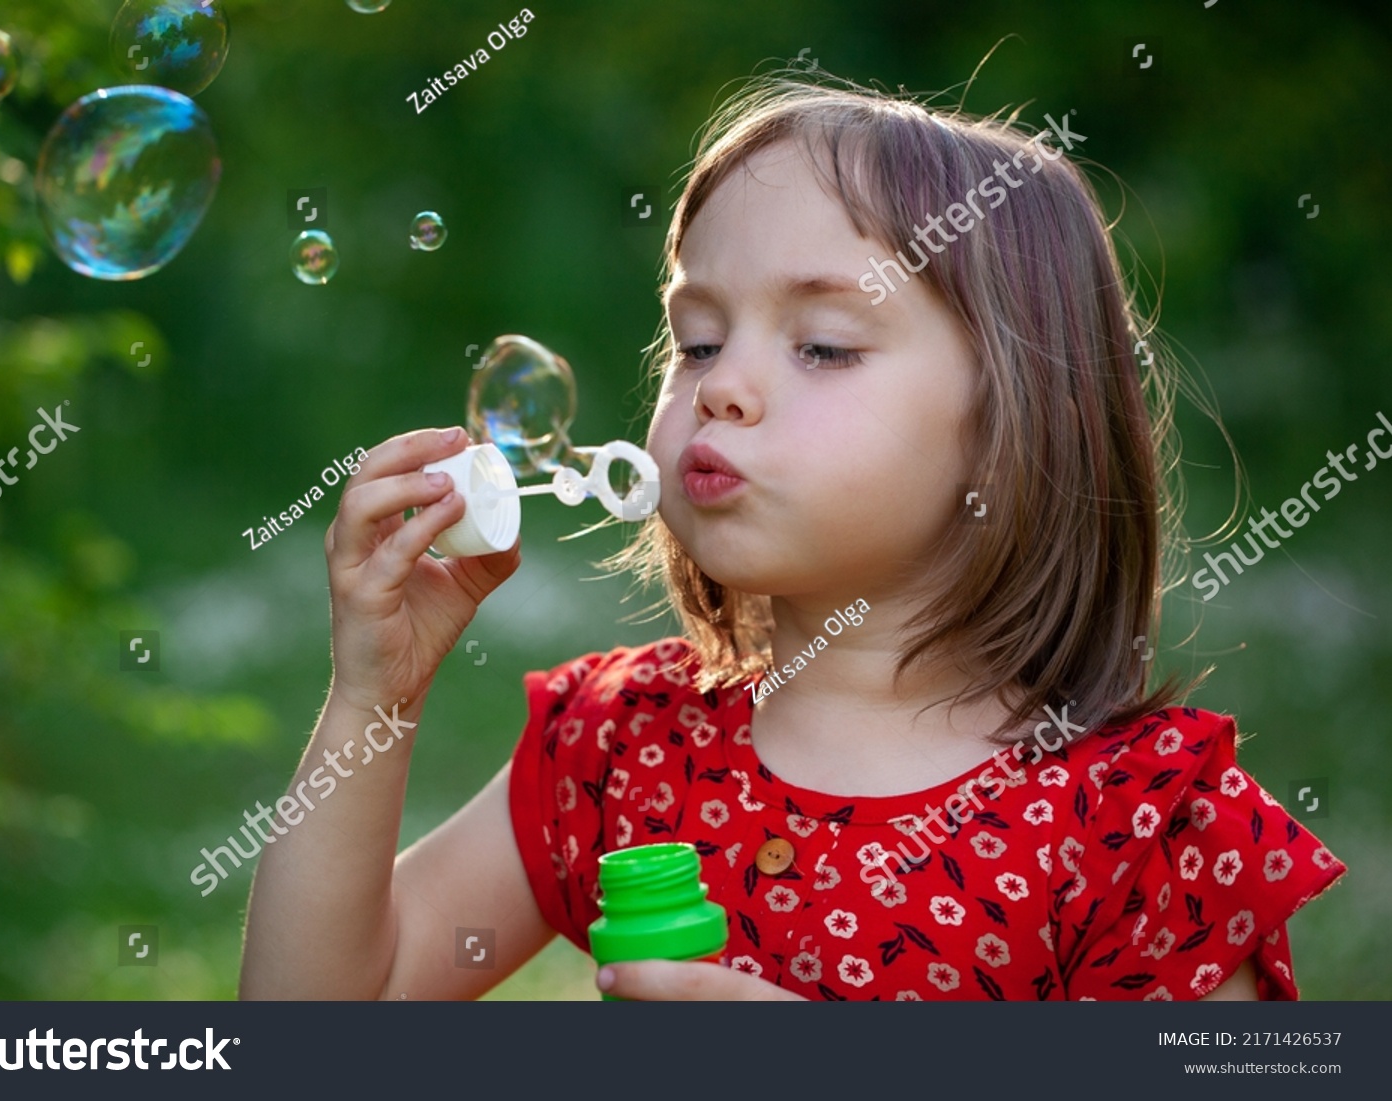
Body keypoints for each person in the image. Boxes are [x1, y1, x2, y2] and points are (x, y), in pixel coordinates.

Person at [238, 75, 1345, 1001]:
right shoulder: (622, 745)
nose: (724, 388)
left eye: (821, 345)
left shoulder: (1143, 829)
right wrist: (371, 697)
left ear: (1017, 426)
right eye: (699, 339)